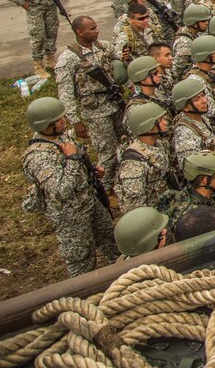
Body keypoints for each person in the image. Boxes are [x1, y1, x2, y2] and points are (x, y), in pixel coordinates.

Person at [21, 96, 118, 276]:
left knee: (110, 239)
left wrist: (93, 170)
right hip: (71, 215)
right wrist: (72, 159)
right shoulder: (37, 157)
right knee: (82, 260)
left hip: (89, 200)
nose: (64, 121)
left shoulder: (60, 137)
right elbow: (61, 189)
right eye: (58, 120)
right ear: (45, 126)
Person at [55, 16, 126, 190]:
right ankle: (106, 187)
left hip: (115, 103)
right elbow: (65, 92)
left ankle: (123, 178)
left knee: (125, 142)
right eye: (92, 29)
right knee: (107, 150)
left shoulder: (104, 46)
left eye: (96, 27)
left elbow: (118, 64)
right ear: (79, 32)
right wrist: (76, 121)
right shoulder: (68, 59)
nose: (97, 31)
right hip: (95, 111)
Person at [116, 103, 174, 214]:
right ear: (148, 126)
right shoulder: (133, 164)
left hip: (166, 203)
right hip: (153, 215)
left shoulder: (158, 145)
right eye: (160, 120)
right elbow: (136, 209)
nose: (165, 123)